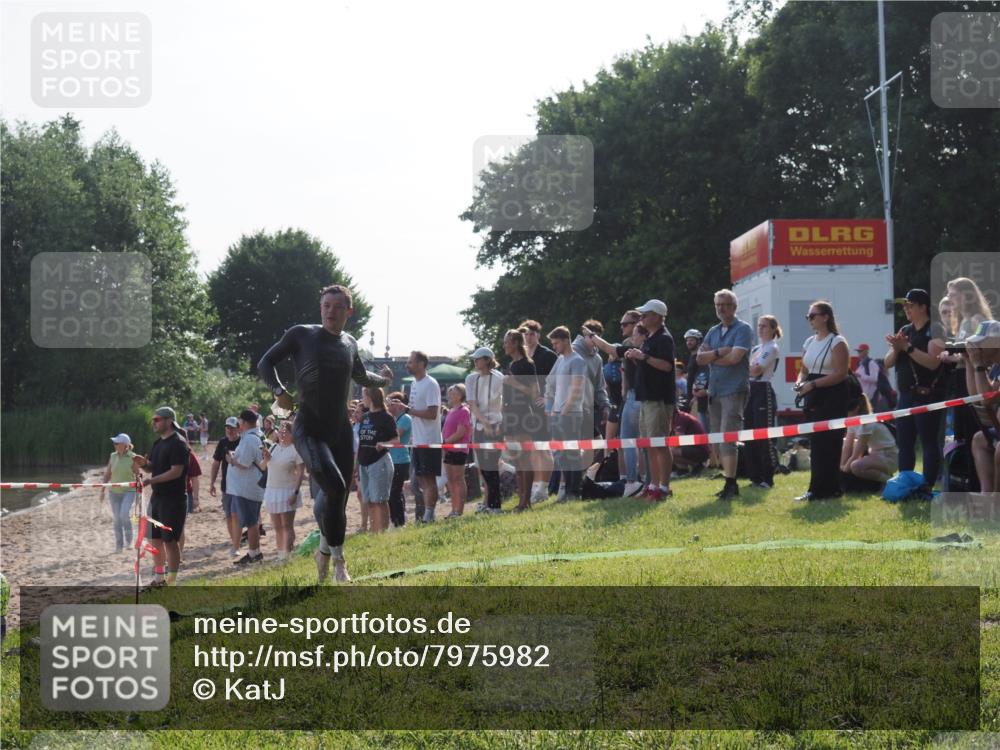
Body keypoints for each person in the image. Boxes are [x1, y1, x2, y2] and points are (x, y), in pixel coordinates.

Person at [258, 284, 392, 583]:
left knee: (339, 498)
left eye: (337, 306)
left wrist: (382, 380)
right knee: (333, 486)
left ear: (349, 311)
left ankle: (324, 551)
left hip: (340, 431)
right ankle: (339, 561)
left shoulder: (349, 343)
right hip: (310, 428)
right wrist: (279, 391)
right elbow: (265, 362)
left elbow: (360, 376)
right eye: (326, 306)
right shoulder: (302, 334)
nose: (330, 311)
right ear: (321, 308)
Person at [884, 288, 947, 487]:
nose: (906, 309)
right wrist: (896, 348)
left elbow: (932, 363)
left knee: (928, 442)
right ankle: (905, 483)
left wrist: (907, 348)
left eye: (910, 305)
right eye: (905, 306)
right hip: (905, 395)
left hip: (927, 395)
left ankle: (927, 485)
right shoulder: (905, 330)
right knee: (905, 442)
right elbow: (887, 363)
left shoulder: (935, 329)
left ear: (923, 307)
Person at [697, 289, 752, 500]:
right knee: (719, 438)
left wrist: (712, 357)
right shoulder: (713, 331)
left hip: (734, 389)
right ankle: (728, 480)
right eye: (718, 305)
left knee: (729, 437)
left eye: (725, 304)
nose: (721, 308)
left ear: (734, 307)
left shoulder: (743, 329)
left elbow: (735, 359)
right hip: (715, 390)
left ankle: (731, 483)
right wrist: (720, 352)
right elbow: (700, 358)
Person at [793, 300, 851, 501]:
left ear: (825, 317)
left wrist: (814, 385)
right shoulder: (809, 342)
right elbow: (804, 370)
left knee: (830, 444)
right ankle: (816, 489)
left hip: (832, 396)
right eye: (807, 316)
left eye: (812, 315)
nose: (809, 319)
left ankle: (831, 489)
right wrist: (800, 383)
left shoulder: (837, 341)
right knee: (816, 445)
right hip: (813, 396)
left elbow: (841, 373)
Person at [132, 406, 190, 587]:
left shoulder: (178, 443)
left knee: (171, 542)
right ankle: (159, 579)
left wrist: (150, 480)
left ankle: (171, 583)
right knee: (154, 539)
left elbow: (176, 472)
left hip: (174, 499)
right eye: (153, 420)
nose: (153, 423)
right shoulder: (158, 443)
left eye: (157, 420)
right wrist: (144, 464)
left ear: (168, 421)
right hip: (157, 498)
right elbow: (153, 467)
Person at [625, 299, 676, 501]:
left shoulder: (664, 338)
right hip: (647, 398)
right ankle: (653, 485)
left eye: (645, 315)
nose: (642, 318)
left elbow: (667, 366)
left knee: (660, 444)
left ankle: (663, 488)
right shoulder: (651, 338)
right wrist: (638, 358)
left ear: (657, 316)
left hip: (659, 399)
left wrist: (643, 357)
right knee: (649, 444)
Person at [590, 311, 643, 482]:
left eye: (625, 324)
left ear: (636, 324)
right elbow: (607, 384)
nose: (622, 327)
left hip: (636, 399)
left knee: (639, 443)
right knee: (616, 441)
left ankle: (638, 479)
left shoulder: (637, 347)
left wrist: (591, 336)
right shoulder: (609, 363)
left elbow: (609, 348)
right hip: (619, 402)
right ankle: (622, 477)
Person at [502, 328, 543, 512]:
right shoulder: (512, 365)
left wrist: (513, 383)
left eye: (507, 342)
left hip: (523, 414)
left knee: (525, 459)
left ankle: (526, 502)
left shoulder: (527, 364)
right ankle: (521, 501)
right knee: (517, 460)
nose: (504, 345)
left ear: (516, 343)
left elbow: (534, 393)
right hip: (511, 415)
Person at [545, 326, 587, 500]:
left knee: (572, 454)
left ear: (565, 340)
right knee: (562, 455)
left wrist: (565, 410)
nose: (554, 347)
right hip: (558, 413)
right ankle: (567, 491)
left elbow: (577, 388)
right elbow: (550, 381)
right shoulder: (561, 359)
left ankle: (573, 491)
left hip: (570, 414)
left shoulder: (577, 360)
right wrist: (551, 408)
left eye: (556, 343)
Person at [519, 319, 558, 503]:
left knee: (544, 448)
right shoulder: (521, 355)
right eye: (525, 334)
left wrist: (548, 399)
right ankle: (536, 486)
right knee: (532, 449)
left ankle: (543, 488)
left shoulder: (548, 355)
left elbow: (558, 379)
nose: (528, 336)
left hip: (543, 408)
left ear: (538, 335)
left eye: (532, 333)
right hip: (526, 410)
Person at [745, 314, 782, 490]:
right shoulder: (755, 349)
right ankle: (755, 476)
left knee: (763, 435)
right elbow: (748, 370)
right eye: (759, 325)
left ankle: (768, 476)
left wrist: (746, 368)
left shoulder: (772, 348)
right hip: (750, 391)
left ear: (773, 329)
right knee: (749, 435)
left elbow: (756, 370)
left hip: (763, 390)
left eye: (764, 326)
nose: (760, 329)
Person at [466, 347, 506, 513]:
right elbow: (473, 405)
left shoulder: (499, 378)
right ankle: (489, 503)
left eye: (478, 358)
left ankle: (495, 505)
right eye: (474, 359)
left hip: (495, 426)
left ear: (487, 360)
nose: (475, 361)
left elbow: (504, 402)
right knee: (483, 466)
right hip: (480, 427)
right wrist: (485, 423)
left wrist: (496, 425)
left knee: (492, 466)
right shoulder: (471, 378)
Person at [405, 350, 442, 523]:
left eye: (411, 362)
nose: (407, 365)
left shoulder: (430, 384)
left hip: (429, 439)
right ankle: (427, 513)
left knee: (428, 478)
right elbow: (414, 410)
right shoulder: (414, 383)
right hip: (418, 439)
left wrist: (408, 410)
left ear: (421, 364)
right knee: (420, 478)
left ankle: (429, 514)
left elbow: (432, 413)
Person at [226, 409, 267, 565]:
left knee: (251, 523)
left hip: (247, 488)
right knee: (253, 521)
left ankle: (254, 554)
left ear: (244, 422)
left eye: (239, 422)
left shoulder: (250, 439)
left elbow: (244, 463)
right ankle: (254, 552)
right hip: (251, 486)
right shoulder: (256, 436)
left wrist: (231, 459)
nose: (238, 425)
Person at [354, 387, 397, 534]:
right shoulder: (365, 417)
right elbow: (361, 441)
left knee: (379, 500)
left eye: (363, 396)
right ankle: (374, 532)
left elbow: (396, 440)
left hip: (379, 461)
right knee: (370, 501)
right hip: (364, 462)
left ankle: (382, 533)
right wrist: (357, 465)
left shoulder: (386, 417)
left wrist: (384, 444)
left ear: (370, 397)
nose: (362, 399)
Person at [261, 420, 305, 559]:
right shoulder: (273, 447)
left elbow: (300, 473)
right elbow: (262, 467)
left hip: (287, 490)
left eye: (285, 431)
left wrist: (295, 492)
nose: (282, 434)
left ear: (293, 434)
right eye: (280, 431)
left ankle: (286, 554)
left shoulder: (295, 450)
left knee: (287, 526)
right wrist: (266, 459)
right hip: (272, 490)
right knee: (277, 526)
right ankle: (281, 554)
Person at [965, 321, 1000, 492]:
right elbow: (977, 398)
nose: (976, 348)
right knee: (980, 439)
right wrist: (969, 364)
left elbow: (987, 400)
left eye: (980, 343)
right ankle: (987, 496)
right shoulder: (995, 367)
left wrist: (978, 364)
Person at [840, 394, 898, 490]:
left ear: (856, 409)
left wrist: (843, 472)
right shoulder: (852, 421)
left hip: (889, 456)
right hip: (875, 455)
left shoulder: (866, 423)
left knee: (855, 466)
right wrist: (841, 466)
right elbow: (847, 447)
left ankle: (890, 481)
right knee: (845, 446)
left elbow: (857, 454)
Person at [209, 416, 243, 556]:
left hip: (241, 485)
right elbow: (216, 463)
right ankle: (234, 541)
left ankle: (236, 545)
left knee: (237, 515)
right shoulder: (222, 443)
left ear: (238, 429)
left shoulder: (243, 442)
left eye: (232, 428)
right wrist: (211, 482)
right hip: (226, 485)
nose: (229, 430)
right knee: (229, 515)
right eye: (227, 427)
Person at [100, 433, 137, 553]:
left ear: (124, 445)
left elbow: (138, 475)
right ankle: (119, 546)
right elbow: (107, 474)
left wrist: (140, 492)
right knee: (117, 519)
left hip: (129, 491)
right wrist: (102, 491)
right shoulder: (113, 456)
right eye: (114, 443)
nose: (114, 445)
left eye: (117, 443)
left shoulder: (133, 457)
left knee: (124, 515)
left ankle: (129, 541)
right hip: (113, 492)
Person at [442, 384, 472, 517]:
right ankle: (453, 509)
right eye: (450, 393)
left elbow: (461, 432)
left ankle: (459, 510)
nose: (450, 396)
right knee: (450, 480)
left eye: (453, 393)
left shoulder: (464, 410)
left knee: (458, 479)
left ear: (460, 396)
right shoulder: (451, 411)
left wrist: (445, 442)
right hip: (448, 450)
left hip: (458, 449)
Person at [386, 392, 412, 527]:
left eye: (391, 403)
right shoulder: (395, 419)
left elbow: (396, 436)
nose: (388, 406)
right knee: (394, 492)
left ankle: (399, 522)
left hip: (400, 459)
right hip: (393, 459)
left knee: (394, 493)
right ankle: (397, 519)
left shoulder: (405, 418)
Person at [177, 449, 202, 559]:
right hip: (166, 494)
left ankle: (178, 553)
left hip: (184, 493)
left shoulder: (190, 455)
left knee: (179, 527)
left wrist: (196, 498)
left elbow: (195, 478)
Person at [670, 408, 710, 475]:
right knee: (669, 450)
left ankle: (697, 465)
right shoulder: (676, 418)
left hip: (701, 450)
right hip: (694, 447)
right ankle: (683, 470)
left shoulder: (681, 418)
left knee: (669, 451)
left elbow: (677, 440)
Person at [684, 329, 710, 431]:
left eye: (692, 340)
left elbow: (704, 375)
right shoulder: (692, 357)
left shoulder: (701, 357)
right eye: (687, 340)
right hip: (693, 397)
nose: (689, 342)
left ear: (698, 341)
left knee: (703, 429)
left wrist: (698, 393)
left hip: (701, 398)